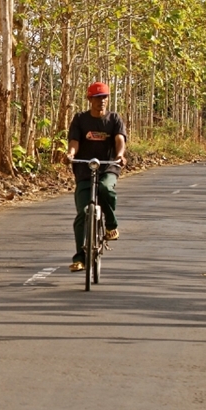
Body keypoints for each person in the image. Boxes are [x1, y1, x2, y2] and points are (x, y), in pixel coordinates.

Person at [63, 81, 127, 272]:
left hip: (108, 167)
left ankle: (111, 225)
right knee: (83, 212)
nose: (102, 101)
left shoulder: (114, 119)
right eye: (98, 98)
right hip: (84, 169)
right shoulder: (80, 119)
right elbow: (74, 140)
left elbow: (119, 139)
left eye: (105, 97)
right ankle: (79, 258)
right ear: (90, 99)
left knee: (105, 188)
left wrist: (119, 155)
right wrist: (71, 154)